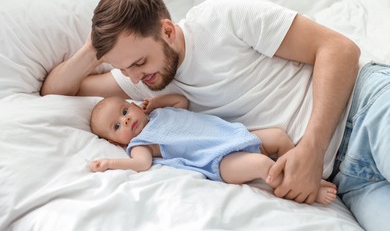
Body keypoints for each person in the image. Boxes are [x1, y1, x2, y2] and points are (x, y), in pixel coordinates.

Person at [39, 0, 389, 230]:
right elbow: (57, 91)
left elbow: (339, 49)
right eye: (124, 67)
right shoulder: (143, 79)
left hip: (365, 107)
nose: (134, 76)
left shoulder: (223, 16)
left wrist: (312, 148)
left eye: (140, 61)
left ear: (167, 30)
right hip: (348, 180)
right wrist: (94, 48)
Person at [89, 94, 337, 205]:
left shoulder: (157, 114)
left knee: (279, 137)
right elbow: (141, 164)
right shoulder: (140, 143)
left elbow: (181, 102)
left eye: (124, 112)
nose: (127, 121)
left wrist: (156, 102)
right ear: (117, 142)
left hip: (232, 137)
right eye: (117, 126)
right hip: (219, 160)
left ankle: (306, 174)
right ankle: (305, 190)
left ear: (134, 105)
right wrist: (111, 163)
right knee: (264, 166)